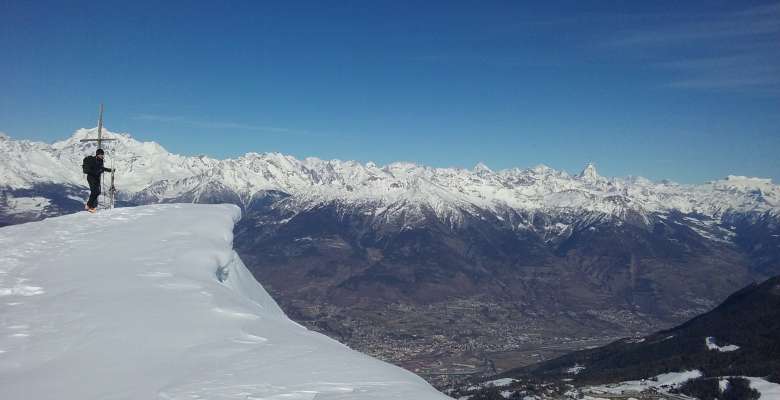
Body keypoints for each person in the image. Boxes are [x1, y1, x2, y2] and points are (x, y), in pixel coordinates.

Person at [83, 148, 114, 212]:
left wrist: (110, 170)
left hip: (96, 178)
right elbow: (91, 170)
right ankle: (89, 206)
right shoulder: (93, 160)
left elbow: (101, 168)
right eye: (101, 154)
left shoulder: (100, 161)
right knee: (94, 191)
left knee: (97, 192)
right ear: (97, 154)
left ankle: (90, 205)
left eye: (102, 154)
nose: (102, 155)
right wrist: (97, 171)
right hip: (91, 178)